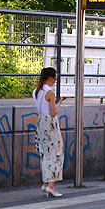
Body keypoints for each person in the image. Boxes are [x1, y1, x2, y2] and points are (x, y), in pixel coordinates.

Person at [32, 67, 64, 197]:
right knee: (57, 153)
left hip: (41, 123)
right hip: (50, 124)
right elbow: (53, 112)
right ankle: (51, 185)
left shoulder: (36, 91)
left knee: (45, 154)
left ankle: (45, 184)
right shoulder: (50, 92)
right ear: (50, 78)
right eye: (55, 79)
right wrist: (58, 104)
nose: (54, 82)